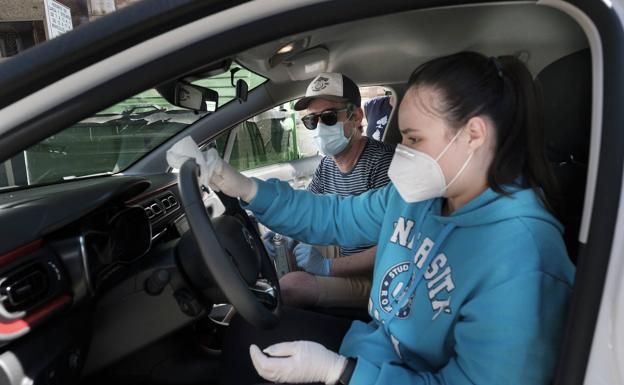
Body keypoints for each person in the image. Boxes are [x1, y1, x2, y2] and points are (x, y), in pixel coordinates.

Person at [210, 51, 575, 385]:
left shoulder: (524, 257)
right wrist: (246, 188)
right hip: (371, 345)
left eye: (414, 139)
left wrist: (341, 373)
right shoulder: (421, 197)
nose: (401, 151)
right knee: (246, 334)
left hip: (381, 373)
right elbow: (335, 216)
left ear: (472, 135)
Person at [267, 72, 394, 309]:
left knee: (292, 286)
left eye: (328, 117)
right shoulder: (327, 165)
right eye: (312, 121)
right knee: (290, 248)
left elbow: (393, 244)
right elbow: (307, 210)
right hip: (346, 257)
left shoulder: (383, 163)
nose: (319, 127)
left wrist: (328, 268)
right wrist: (281, 234)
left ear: (356, 116)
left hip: (378, 277)